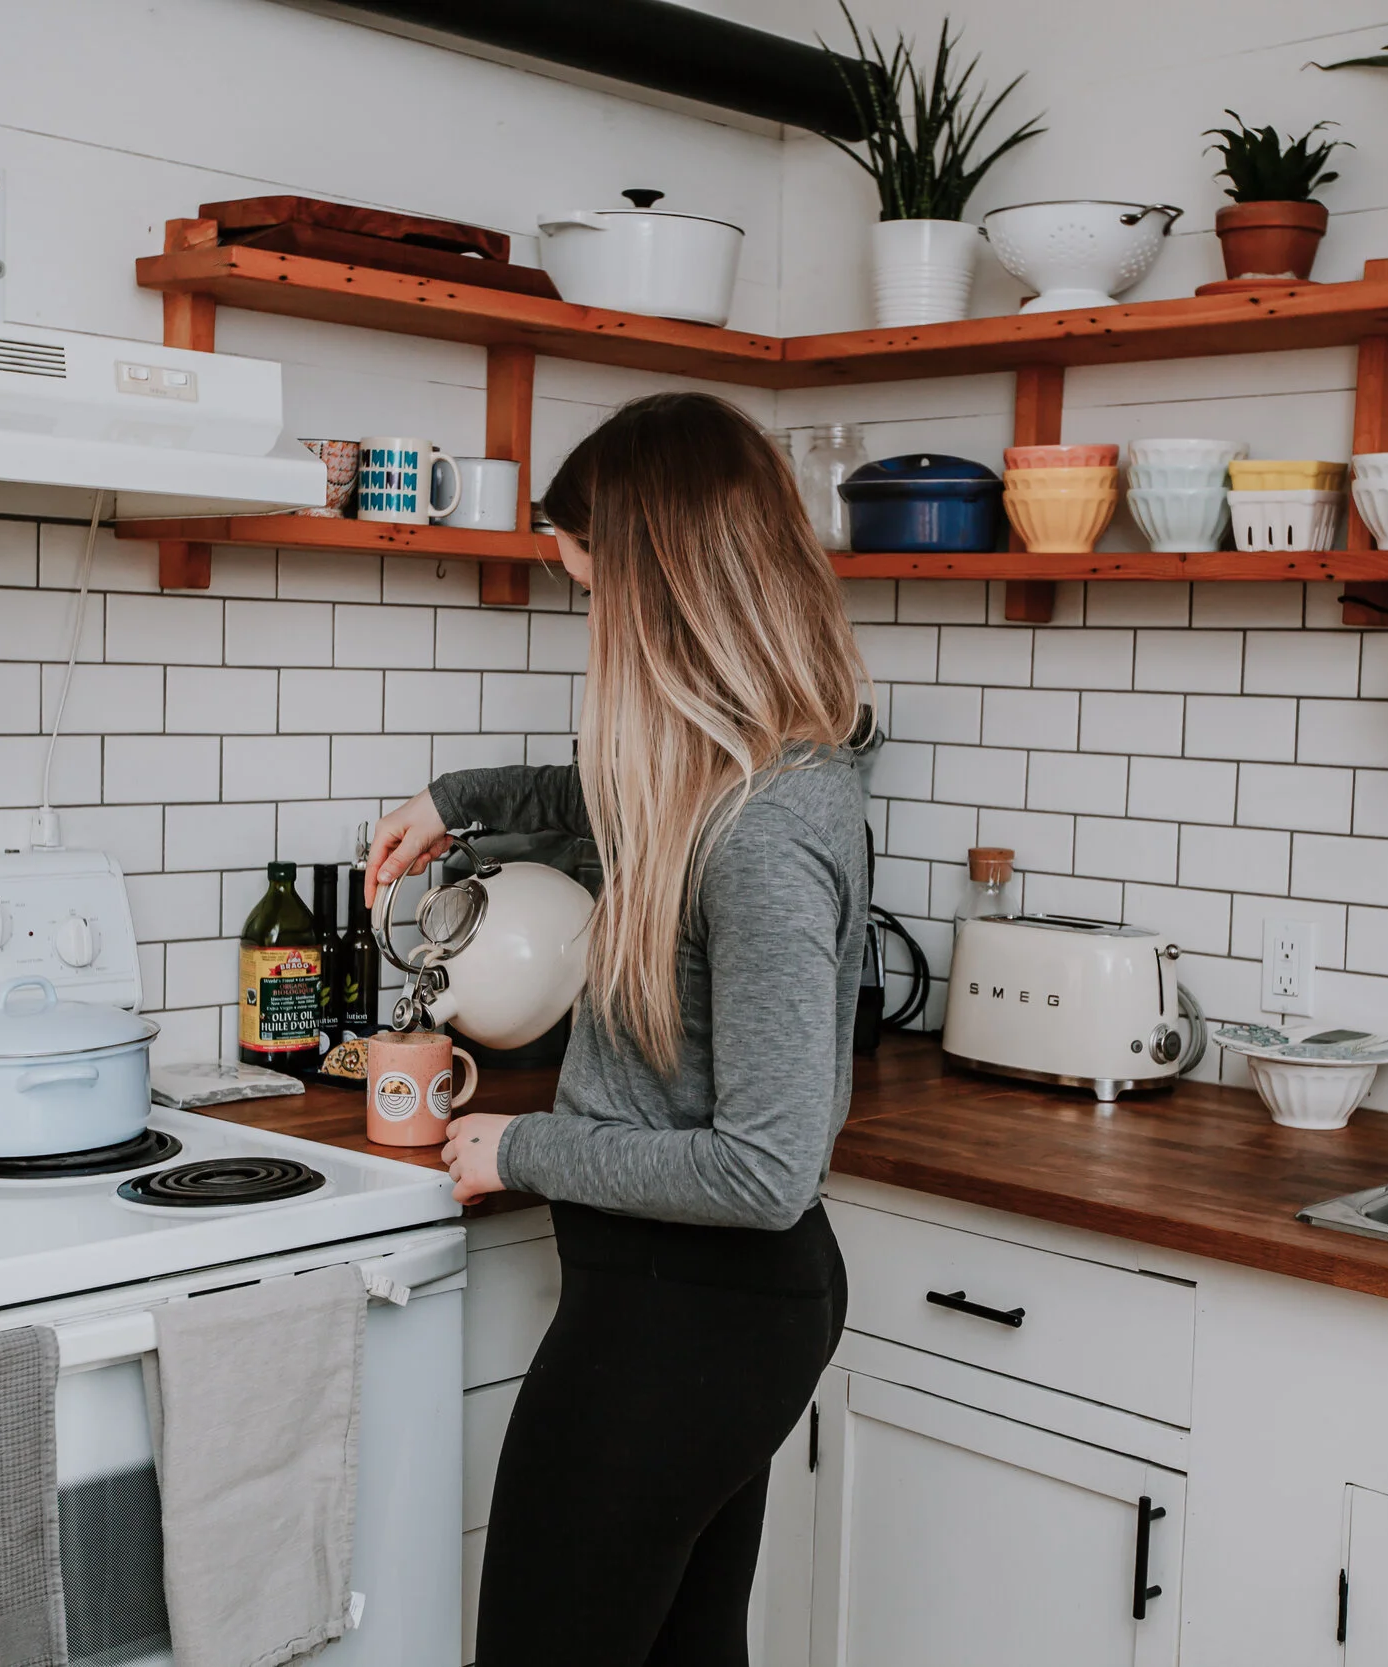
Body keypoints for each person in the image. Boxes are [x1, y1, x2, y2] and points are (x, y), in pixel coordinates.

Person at [364, 391, 870, 1666]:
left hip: (691, 1313)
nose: (590, 627)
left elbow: (764, 1169)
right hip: (703, 1307)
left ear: (663, 596)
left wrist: (519, 1148)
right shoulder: (740, 777)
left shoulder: (761, 833)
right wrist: (455, 799)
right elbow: (610, 793)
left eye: (594, 594)